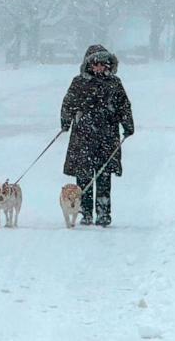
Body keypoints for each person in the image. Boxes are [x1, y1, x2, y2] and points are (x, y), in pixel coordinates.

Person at [60, 44, 134, 227]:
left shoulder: (115, 83)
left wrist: (128, 124)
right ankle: (85, 212)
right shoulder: (78, 82)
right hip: (83, 136)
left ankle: (103, 214)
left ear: (108, 65)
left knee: (103, 177)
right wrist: (65, 121)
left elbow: (124, 105)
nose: (99, 68)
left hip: (107, 137)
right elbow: (68, 103)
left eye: (103, 65)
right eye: (95, 65)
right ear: (89, 65)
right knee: (83, 176)